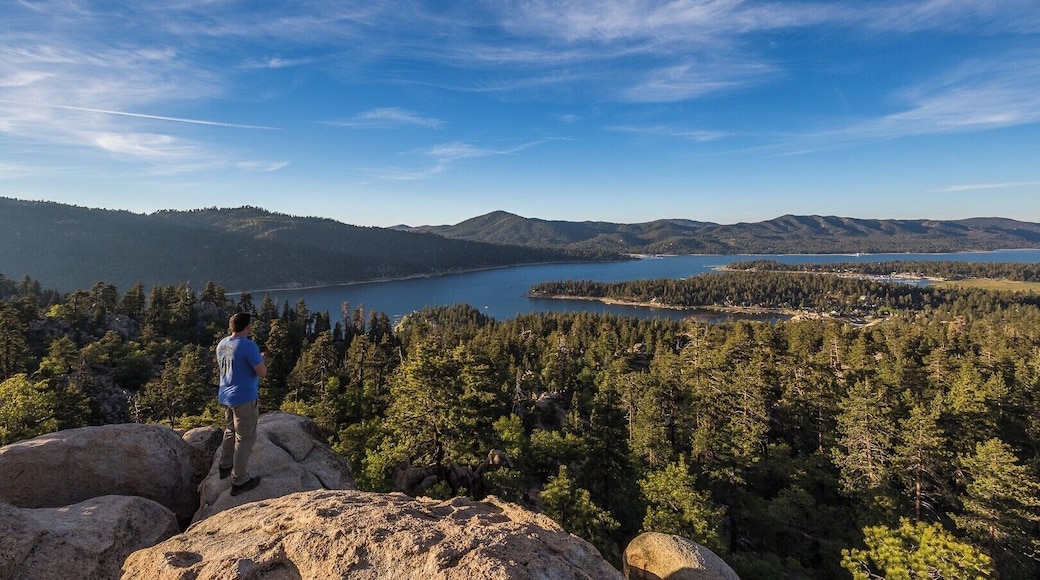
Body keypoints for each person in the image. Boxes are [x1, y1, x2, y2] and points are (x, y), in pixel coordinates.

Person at [216, 312, 266, 496]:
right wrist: (261, 359)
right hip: (244, 397)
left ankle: (225, 466)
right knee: (245, 438)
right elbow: (261, 373)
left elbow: (233, 364)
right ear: (247, 327)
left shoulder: (222, 344)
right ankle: (239, 480)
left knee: (230, 431)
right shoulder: (248, 345)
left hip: (226, 396)